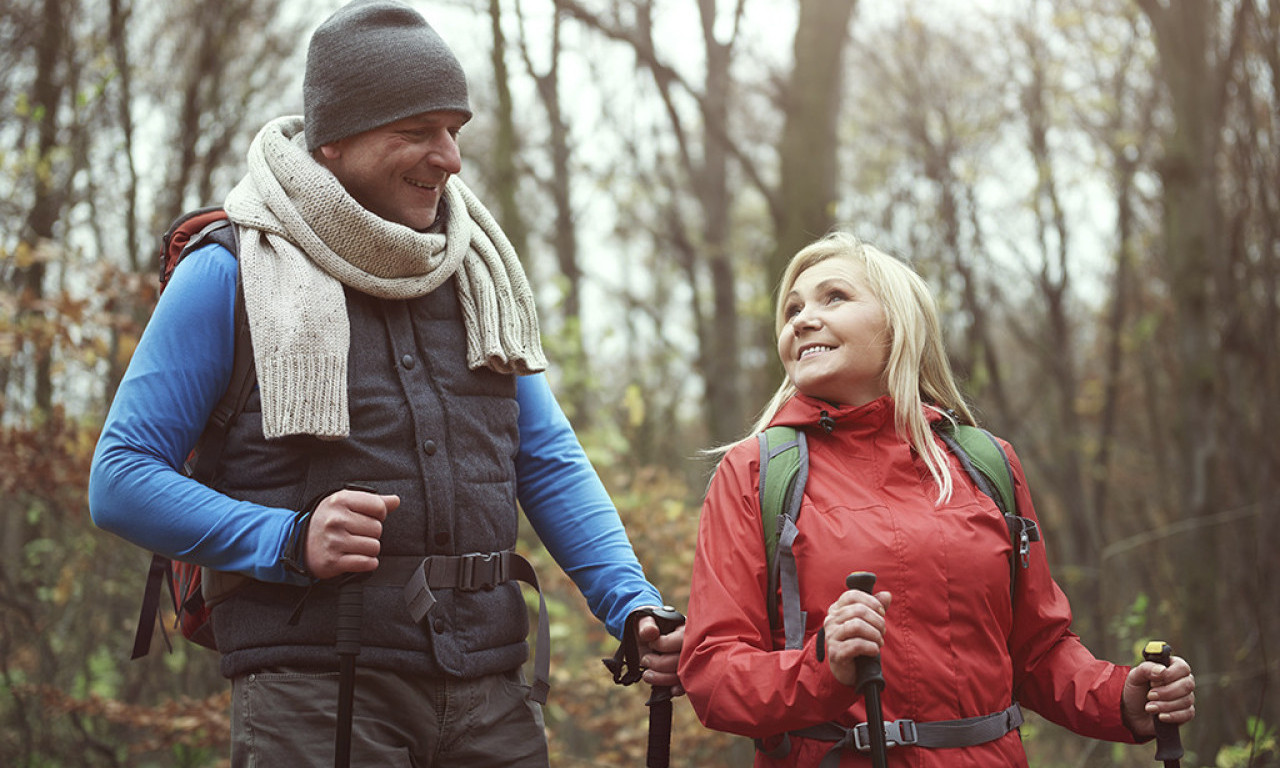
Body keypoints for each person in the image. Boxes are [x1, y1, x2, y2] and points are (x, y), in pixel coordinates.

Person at [88, 1, 682, 765]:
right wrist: (289, 538)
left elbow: (546, 462)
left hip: (491, 692)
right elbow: (121, 478)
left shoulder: (477, 275)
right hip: (312, 694)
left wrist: (631, 605)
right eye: (417, 131)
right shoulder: (228, 270)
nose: (450, 158)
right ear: (333, 141)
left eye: (454, 132)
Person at [677, 232, 1195, 766]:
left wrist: (1121, 701)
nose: (802, 319)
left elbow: (1037, 651)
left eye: (834, 297)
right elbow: (713, 673)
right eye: (792, 309)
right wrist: (822, 666)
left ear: (899, 322)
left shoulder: (987, 462)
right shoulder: (756, 471)